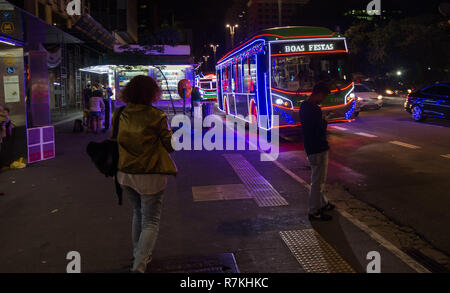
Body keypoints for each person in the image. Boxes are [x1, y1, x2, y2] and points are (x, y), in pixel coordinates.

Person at [111, 75, 177, 273]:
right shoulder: (157, 116)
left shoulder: (120, 113)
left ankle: (137, 254)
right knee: (151, 220)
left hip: (125, 173)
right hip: (150, 175)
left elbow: (113, 139)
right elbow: (170, 146)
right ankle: (139, 265)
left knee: (138, 213)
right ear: (152, 94)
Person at [299, 82, 335, 221]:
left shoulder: (304, 106)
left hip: (310, 147)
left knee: (318, 178)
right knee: (318, 181)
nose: (323, 100)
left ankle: (323, 203)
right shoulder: (314, 109)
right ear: (319, 94)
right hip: (318, 147)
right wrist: (325, 120)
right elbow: (319, 128)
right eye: (323, 96)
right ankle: (314, 210)